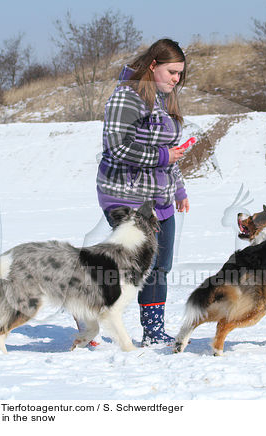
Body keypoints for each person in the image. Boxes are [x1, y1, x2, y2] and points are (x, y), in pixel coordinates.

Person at [96, 38, 189, 346]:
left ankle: (153, 331)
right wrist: (164, 158)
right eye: (172, 72)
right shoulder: (126, 97)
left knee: (160, 266)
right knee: (131, 267)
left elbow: (167, 151)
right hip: (126, 195)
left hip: (159, 197)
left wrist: (178, 189)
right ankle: (89, 310)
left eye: (180, 74)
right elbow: (116, 148)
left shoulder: (164, 99)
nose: (176, 79)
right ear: (153, 65)